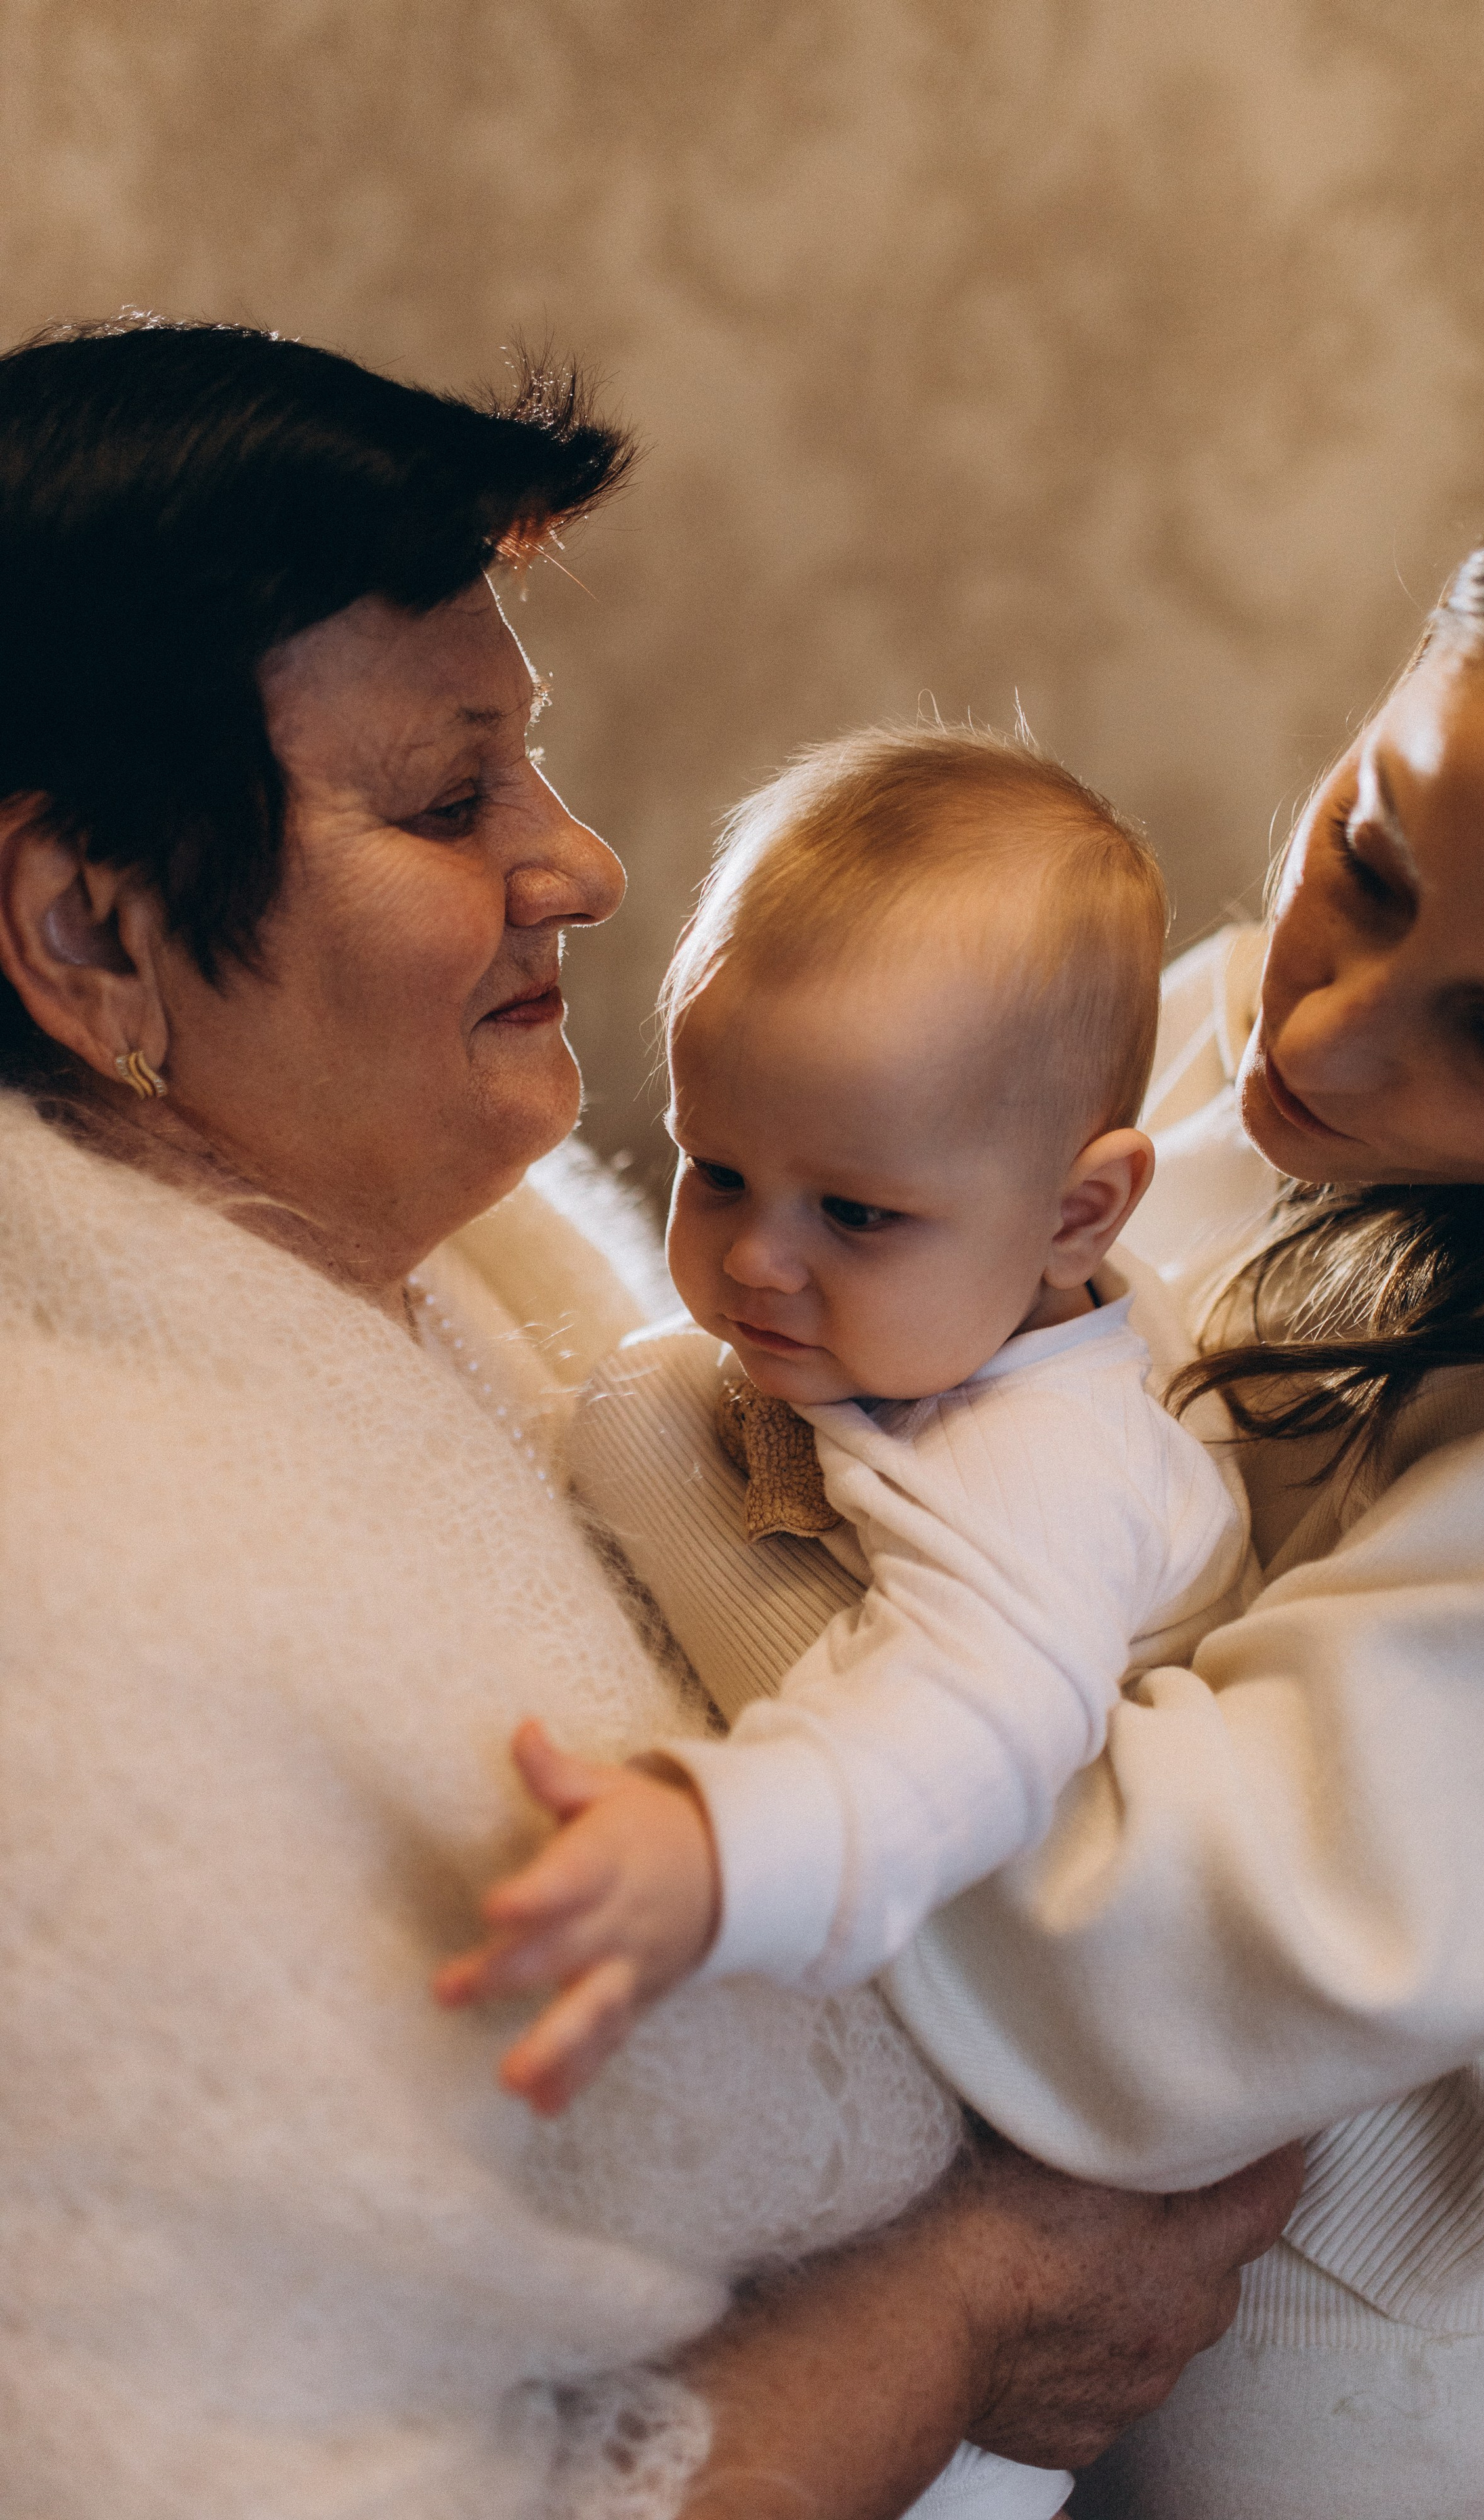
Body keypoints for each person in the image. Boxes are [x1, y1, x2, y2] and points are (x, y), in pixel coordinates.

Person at [0, 315, 1296, 2520]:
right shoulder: (77, 1616)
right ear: (94, 933)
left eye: (532, 763)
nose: (583, 860)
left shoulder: (465, 1268)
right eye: (446, 798)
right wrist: (986, 2295)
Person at [502, 415, 1484, 2520]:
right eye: (1371, 861)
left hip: (1337, 2413)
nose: (1314, 1042)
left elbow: (1128, 1976)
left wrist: (683, 1474)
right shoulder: (1217, 1051)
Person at [437, 725, 1250, 2135]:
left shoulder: (1044, 1462)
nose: (756, 1260)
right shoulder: (966, 1314)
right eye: (719, 1171)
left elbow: (958, 1732)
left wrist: (713, 1850)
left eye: (856, 1214)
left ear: (1077, 1218)